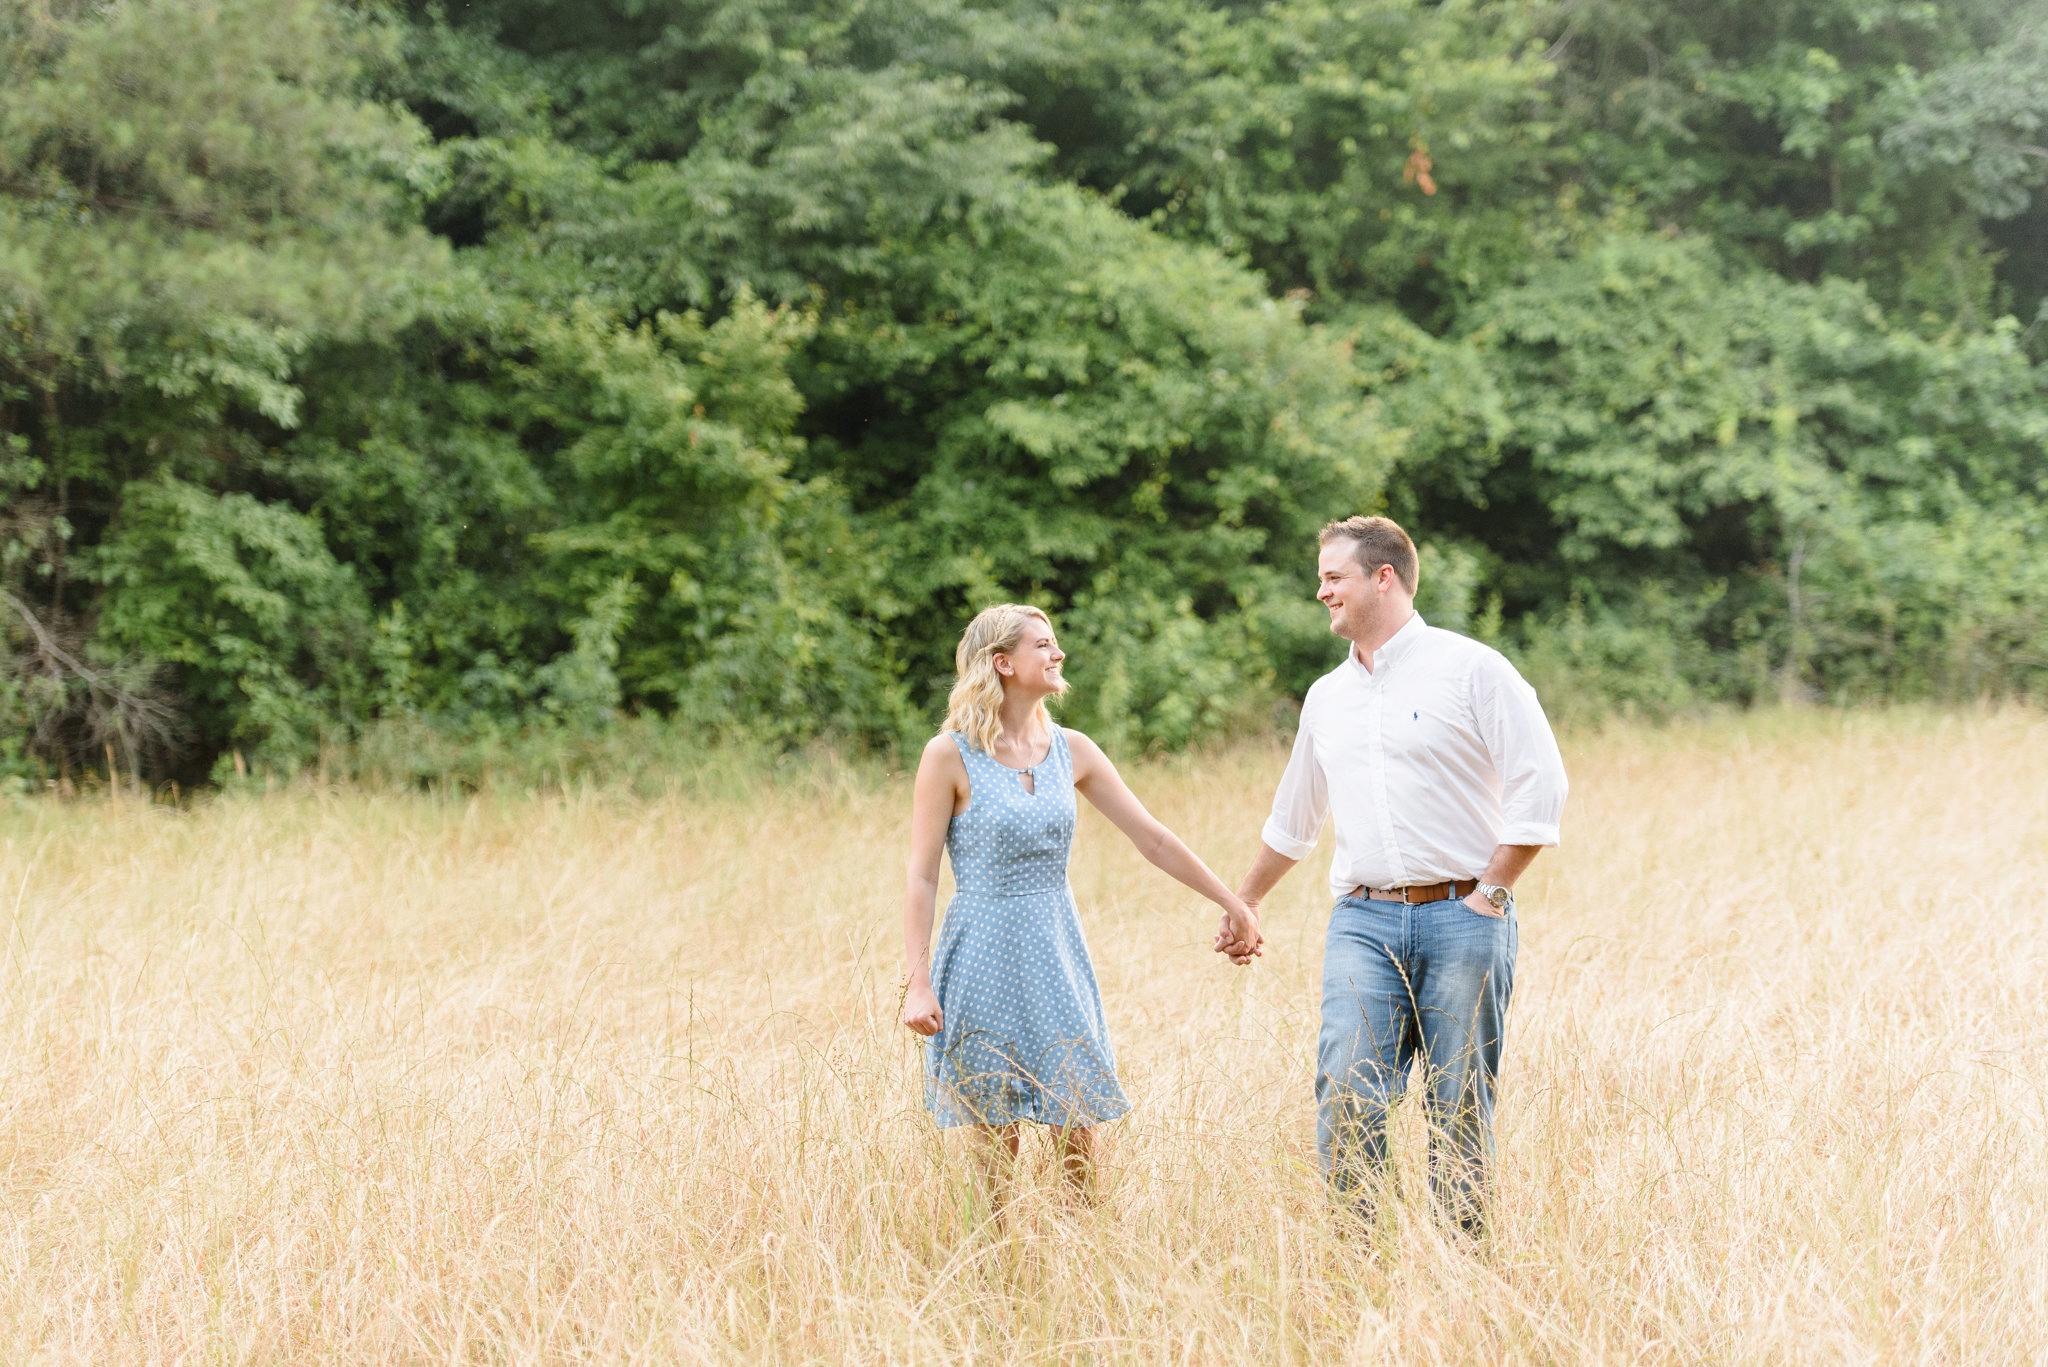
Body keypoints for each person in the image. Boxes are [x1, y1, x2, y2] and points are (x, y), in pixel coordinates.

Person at [1236, 516, 1568, 1237]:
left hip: (1464, 916)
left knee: (1457, 1104)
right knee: (1347, 1088)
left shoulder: (1473, 668)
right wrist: (1248, 897)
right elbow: (1294, 817)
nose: (1320, 590)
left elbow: (1541, 784)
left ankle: (1460, 1275)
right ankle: (1358, 1263)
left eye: (1333, 576)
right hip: (1363, 921)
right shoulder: (1327, 696)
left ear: (1382, 577)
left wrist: (1492, 894)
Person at [901, 603, 1262, 1207]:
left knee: (1078, 1121)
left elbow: (1153, 838)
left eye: (1054, 642)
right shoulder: (949, 755)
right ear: (1003, 663)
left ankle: (1080, 1259)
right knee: (996, 1134)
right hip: (981, 952)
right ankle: (996, 1267)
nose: (1057, 653)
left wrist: (1234, 902)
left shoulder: (1074, 749)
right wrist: (917, 983)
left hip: (1056, 949)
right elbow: (921, 877)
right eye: (1042, 644)